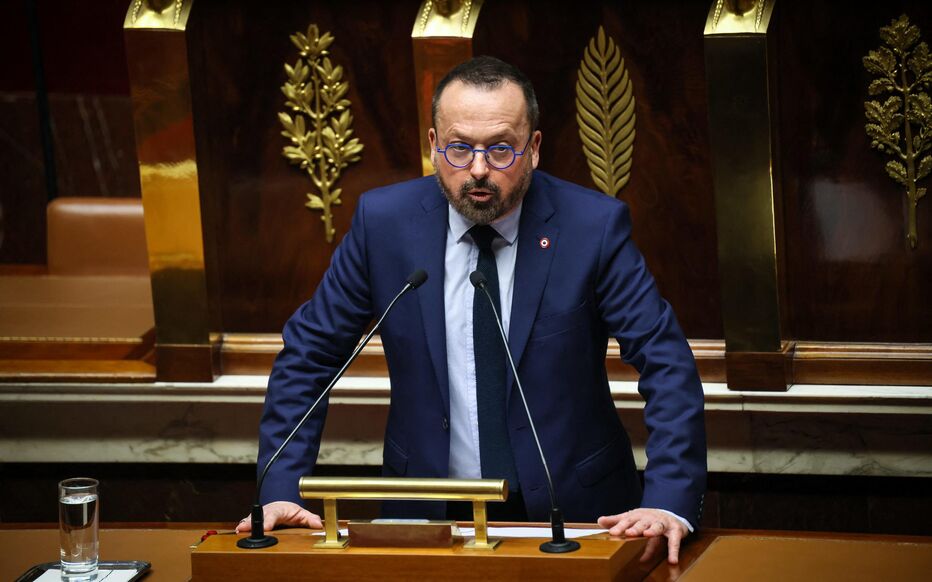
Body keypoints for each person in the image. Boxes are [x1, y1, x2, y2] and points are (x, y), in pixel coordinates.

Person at [237, 56, 706, 564]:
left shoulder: (592, 227)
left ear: (534, 148)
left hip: (577, 514)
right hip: (426, 509)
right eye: (460, 148)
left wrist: (668, 500)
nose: (479, 169)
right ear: (433, 144)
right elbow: (309, 355)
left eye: (501, 148)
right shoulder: (384, 225)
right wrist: (280, 488)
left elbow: (665, 360)